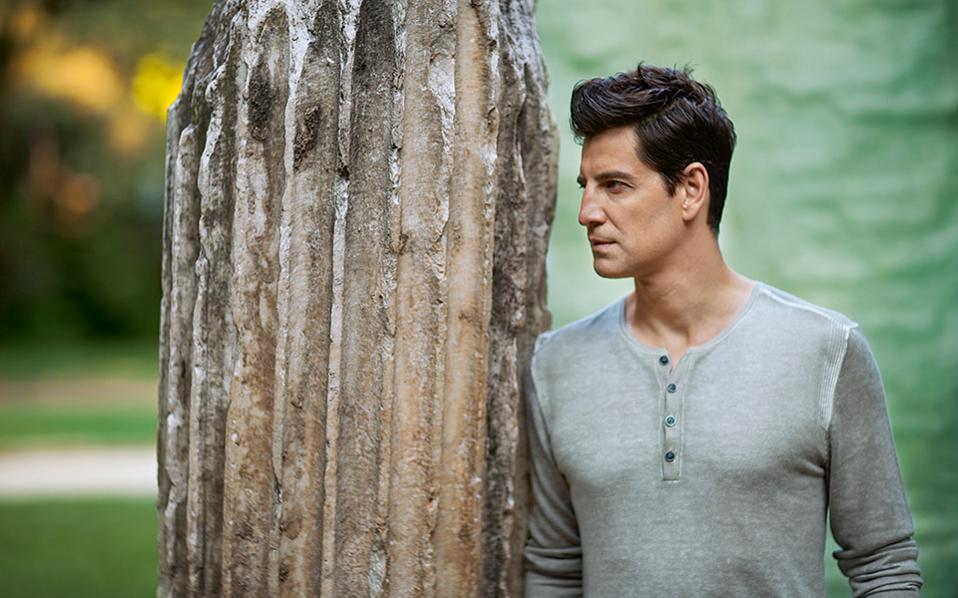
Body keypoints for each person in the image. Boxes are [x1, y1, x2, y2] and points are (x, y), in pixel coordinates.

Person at [523, 64, 922, 597]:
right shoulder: (555, 365)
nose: (586, 212)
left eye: (615, 185)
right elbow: (553, 570)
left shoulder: (825, 351)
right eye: (585, 187)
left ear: (691, 189)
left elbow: (884, 567)